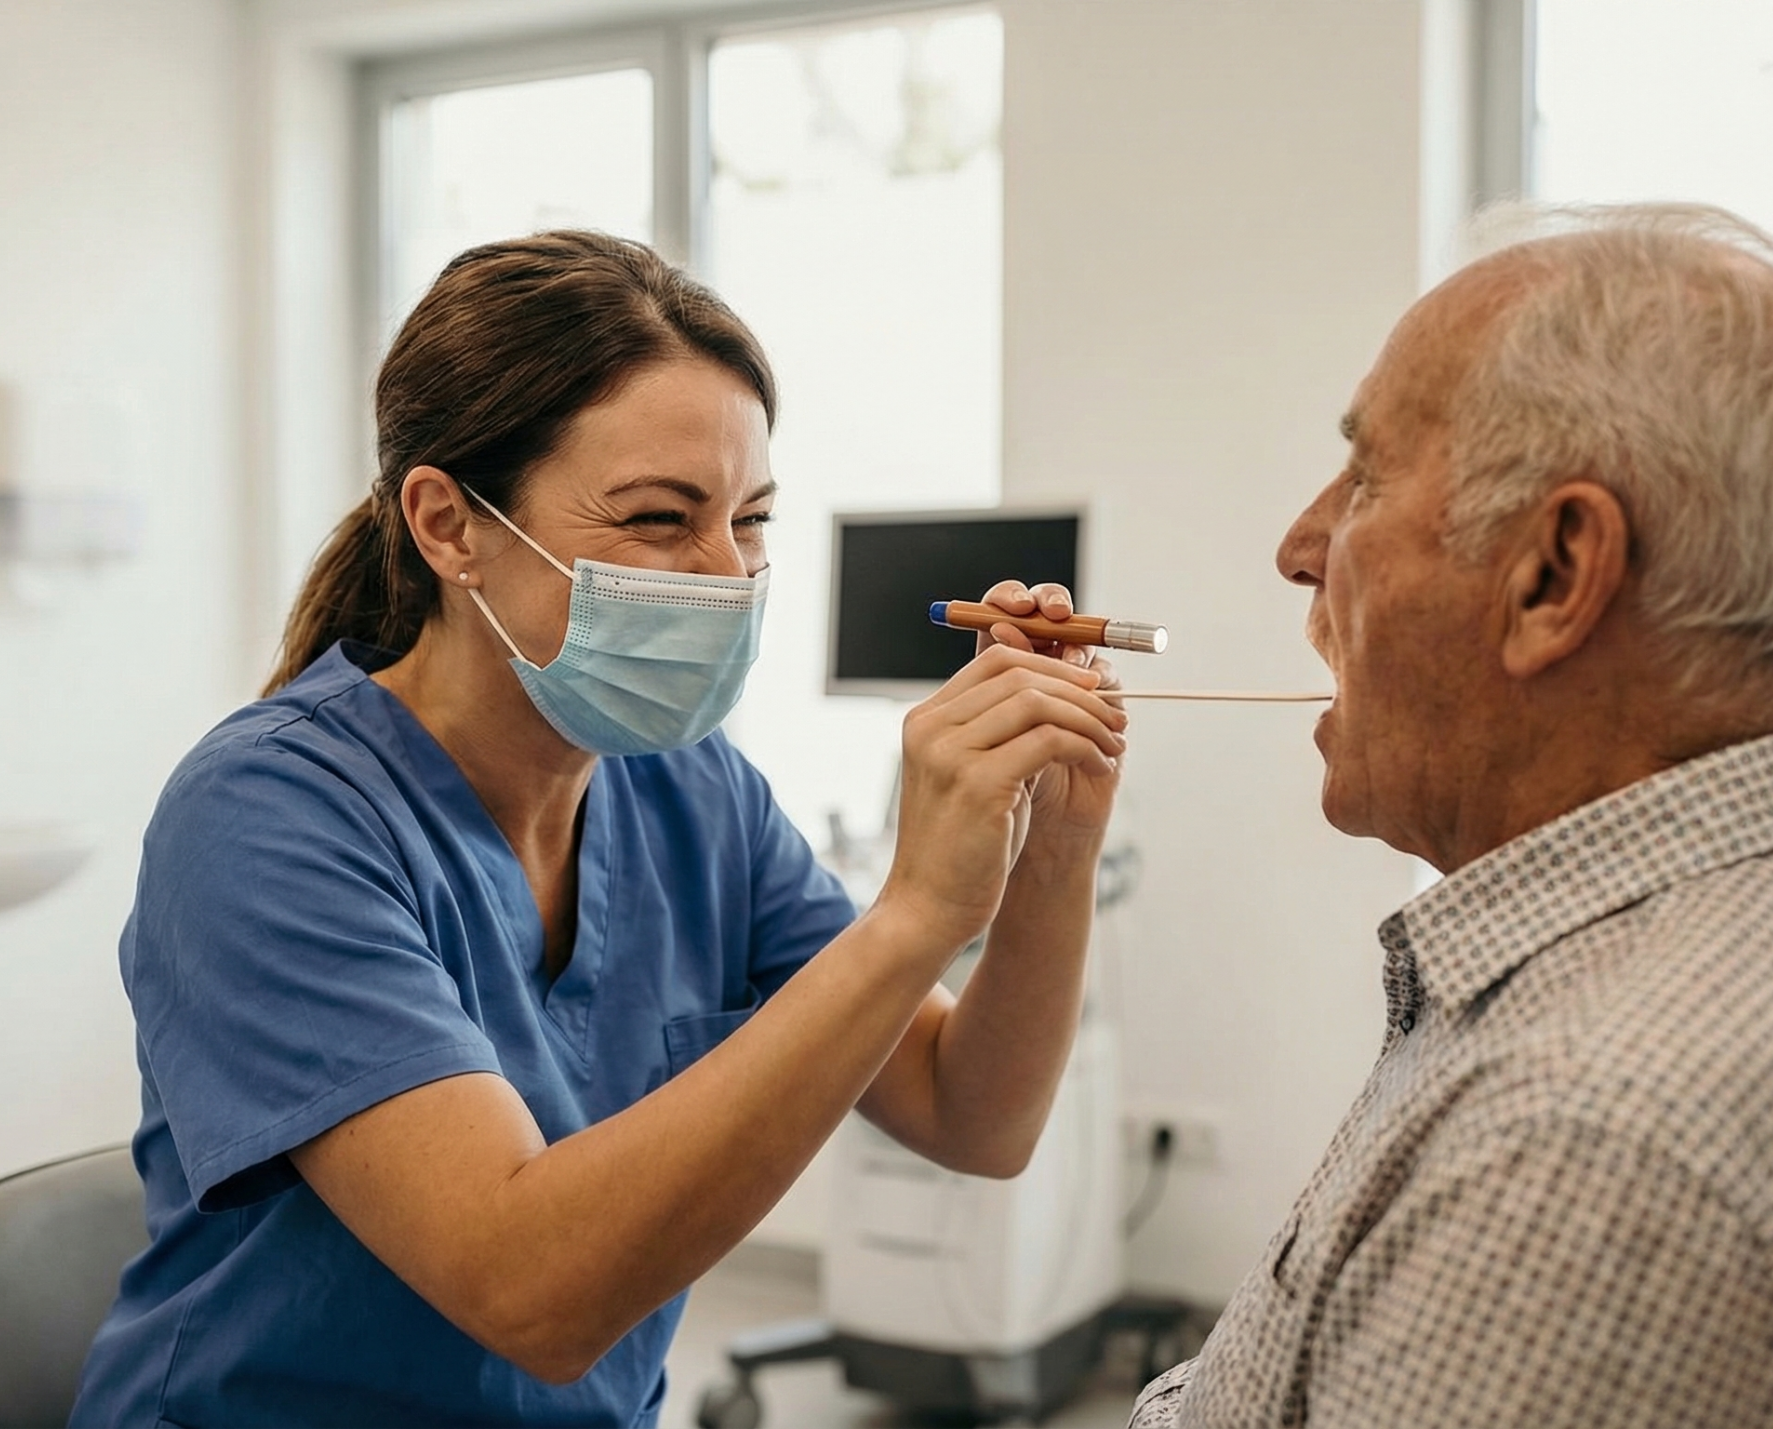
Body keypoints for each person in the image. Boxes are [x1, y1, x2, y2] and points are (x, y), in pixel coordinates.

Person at [71, 231, 1128, 1427]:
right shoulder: (267, 818)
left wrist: (1054, 838)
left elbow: (973, 1116)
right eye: (661, 518)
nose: (726, 574)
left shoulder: (695, 791)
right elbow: (534, 1296)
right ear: (448, 524)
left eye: (753, 518)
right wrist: (916, 915)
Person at [1129, 204, 1773, 1428]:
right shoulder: (1751, 937)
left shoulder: (1590, 1149)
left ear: (1554, 574)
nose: (1300, 546)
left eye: (1367, 476)